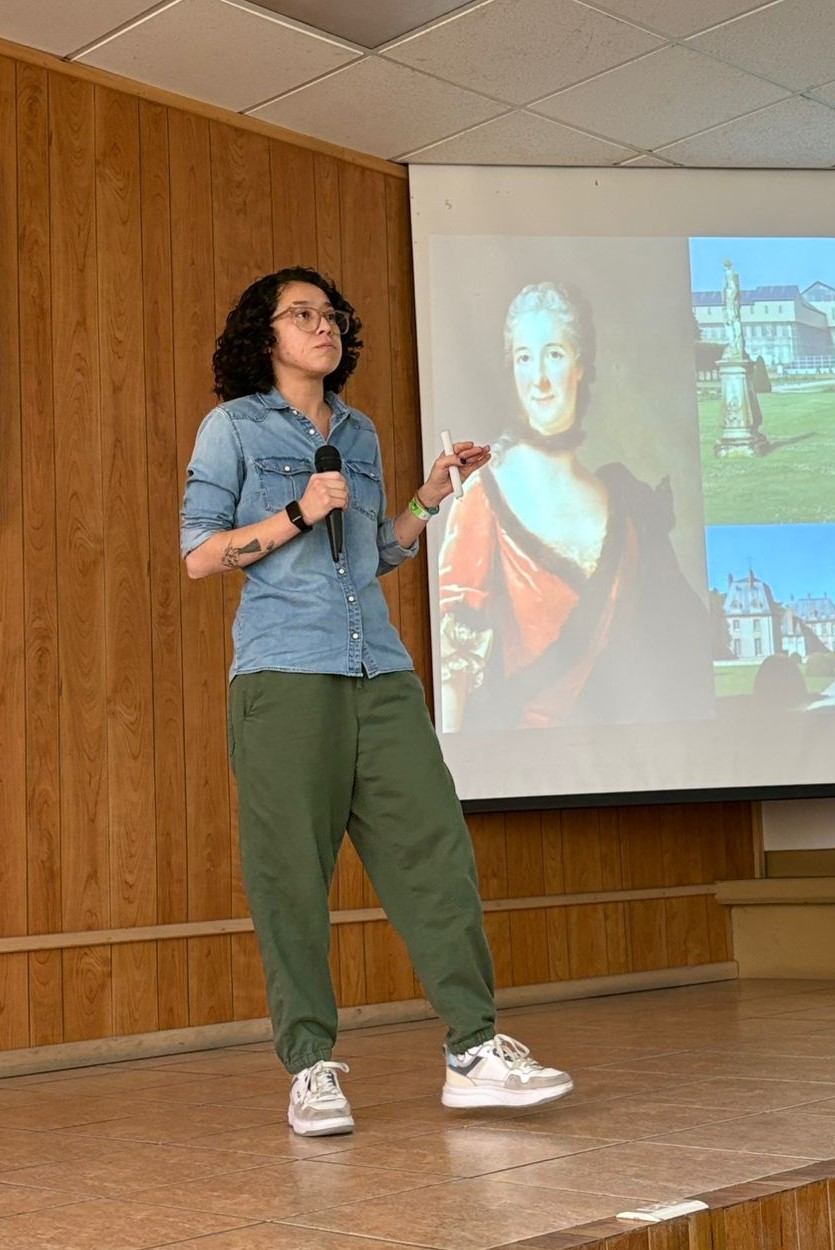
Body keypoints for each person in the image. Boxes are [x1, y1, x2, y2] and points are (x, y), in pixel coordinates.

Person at [180, 266, 573, 1137]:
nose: (323, 326)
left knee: (437, 852)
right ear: (265, 336)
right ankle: (310, 1067)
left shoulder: (358, 432)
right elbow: (200, 555)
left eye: (330, 315)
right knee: (290, 877)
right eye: (302, 314)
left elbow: (374, 555)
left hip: (381, 672)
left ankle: (473, 1051)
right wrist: (293, 513)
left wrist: (429, 499)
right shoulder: (233, 427)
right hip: (284, 676)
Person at [438, 280, 714, 733]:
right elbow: (454, 675)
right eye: (524, 358)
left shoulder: (623, 506)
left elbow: (656, 660)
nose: (539, 380)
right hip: (511, 758)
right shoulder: (484, 495)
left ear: (580, 365)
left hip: (616, 757)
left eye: (554, 354)